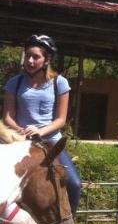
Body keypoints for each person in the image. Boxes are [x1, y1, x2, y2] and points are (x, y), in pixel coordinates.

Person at [3, 33, 82, 214]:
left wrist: (39, 131)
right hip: (19, 140)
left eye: (36, 57)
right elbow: (7, 116)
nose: (30, 61)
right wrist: (20, 131)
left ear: (47, 59)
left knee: (74, 184)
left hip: (50, 143)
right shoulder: (14, 83)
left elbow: (61, 120)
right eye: (27, 56)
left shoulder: (59, 83)